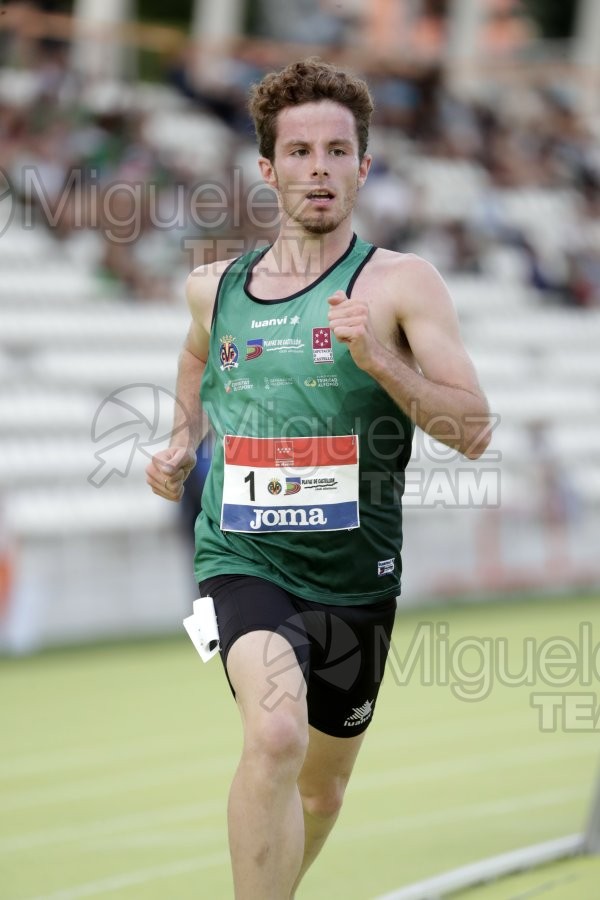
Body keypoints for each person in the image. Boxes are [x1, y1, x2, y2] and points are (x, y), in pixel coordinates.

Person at [146, 58, 491, 900]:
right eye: (299, 152)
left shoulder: (402, 284)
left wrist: (377, 358)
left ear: (364, 166)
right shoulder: (212, 288)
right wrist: (182, 439)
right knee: (273, 736)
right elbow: (197, 358)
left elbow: (473, 430)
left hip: (356, 576)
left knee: (323, 788)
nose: (319, 170)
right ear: (268, 169)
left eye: (338, 152)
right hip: (244, 557)